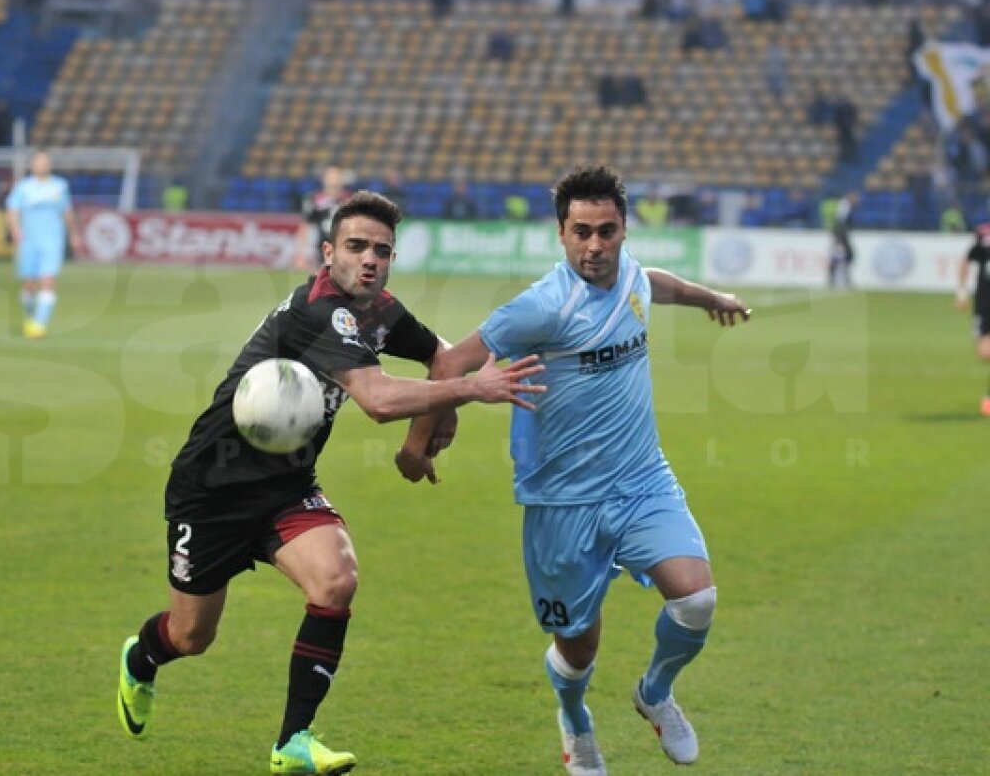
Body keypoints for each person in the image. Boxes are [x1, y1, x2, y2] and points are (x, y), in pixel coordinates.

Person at [115, 191, 546, 775]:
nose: (370, 259)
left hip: (286, 484)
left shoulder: (379, 310)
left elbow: (444, 357)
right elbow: (377, 399)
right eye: (356, 247)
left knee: (336, 580)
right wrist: (472, 392)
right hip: (212, 488)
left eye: (382, 250)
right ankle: (141, 658)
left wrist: (418, 448)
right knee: (191, 636)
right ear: (328, 253)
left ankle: (293, 741)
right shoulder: (317, 312)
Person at [395, 166, 751, 775]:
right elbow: (454, 358)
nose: (594, 245)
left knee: (697, 601)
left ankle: (655, 692)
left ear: (623, 230)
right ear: (560, 234)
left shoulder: (630, 273)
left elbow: (652, 283)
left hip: (642, 481)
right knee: (578, 648)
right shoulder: (543, 307)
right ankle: (575, 718)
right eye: (581, 231)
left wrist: (708, 297)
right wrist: (419, 440)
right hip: (562, 502)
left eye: (606, 231)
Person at [5, 149, 79, 339]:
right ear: (32, 165)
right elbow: (13, 210)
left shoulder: (59, 186)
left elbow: (67, 212)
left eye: (45, 162)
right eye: (38, 162)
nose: (41, 165)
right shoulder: (23, 187)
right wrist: (15, 230)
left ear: (49, 165)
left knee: (48, 281)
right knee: (29, 284)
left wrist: (73, 234)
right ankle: (30, 315)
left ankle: (39, 324)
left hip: (53, 240)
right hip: (29, 240)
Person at [956, 221, 990, 416]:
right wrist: (961, 293)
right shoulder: (983, 233)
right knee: (984, 353)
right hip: (984, 303)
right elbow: (966, 260)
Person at [295, 165, 352, 270]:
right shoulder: (314, 199)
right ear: (324, 179)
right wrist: (300, 254)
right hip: (323, 249)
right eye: (330, 176)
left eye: (336, 176)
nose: (333, 180)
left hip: (345, 248)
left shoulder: (350, 200)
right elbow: (305, 226)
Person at [828, 191, 857, 289]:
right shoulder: (844, 205)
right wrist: (838, 236)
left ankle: (838, 279)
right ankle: (834, 279)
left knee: (845, 256)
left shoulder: (845, 205)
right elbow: (839, 221)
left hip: (841, 234)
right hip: (840, 234)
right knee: (840, 255)